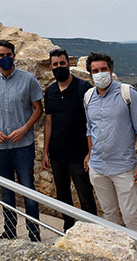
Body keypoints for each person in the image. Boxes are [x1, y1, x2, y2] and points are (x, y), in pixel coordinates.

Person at [84, 53, 137, 258]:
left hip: (123, 166)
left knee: (130, 214)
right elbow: (90, 129)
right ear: (90, 74)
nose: (100, 74)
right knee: (108, 212)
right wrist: (89, 153)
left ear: (111, 70)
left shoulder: (127, 93)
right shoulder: (88, 97)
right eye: (95, 71)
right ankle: (117, 249)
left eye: (103, 69)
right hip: (98, 166)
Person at [0, 40, 43, 241]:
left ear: (14, 56)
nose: (5, 58)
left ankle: (34, 234)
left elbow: (38, 109)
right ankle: (9, 231)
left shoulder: (28, 80)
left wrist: (24, 129)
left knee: (28, 190)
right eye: (1, 55)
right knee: (6, 192)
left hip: (22, 146)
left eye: (8, 54)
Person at [42, 49, 97, 231]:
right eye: (55, 64)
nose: (59, 67)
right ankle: (68, 229)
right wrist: (45, 152)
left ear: (69, 64)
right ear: (51, 66)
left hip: (79, 154)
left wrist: (90, 152)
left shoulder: (84, 88)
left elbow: (92, 122)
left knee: (85, 197)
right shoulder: (50, 91)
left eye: (62, 64)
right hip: (57, 154)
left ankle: (91, 233)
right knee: (63, 196)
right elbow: (48, 122)